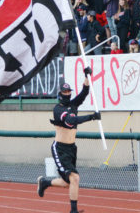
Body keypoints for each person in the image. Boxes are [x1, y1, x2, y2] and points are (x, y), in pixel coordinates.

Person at [37, 67, 101, 213]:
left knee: (68, 182)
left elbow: (84, 92)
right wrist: (91, 117)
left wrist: (87, 76)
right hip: (60, 148)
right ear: (60, 94)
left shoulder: (73, 104)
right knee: (75, 178)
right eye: (64, 92)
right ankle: (73, 211)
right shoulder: (58, 109)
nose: (67, 94)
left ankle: (45, 182)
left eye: (69, 91)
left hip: (71, 148)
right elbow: (71, 120)